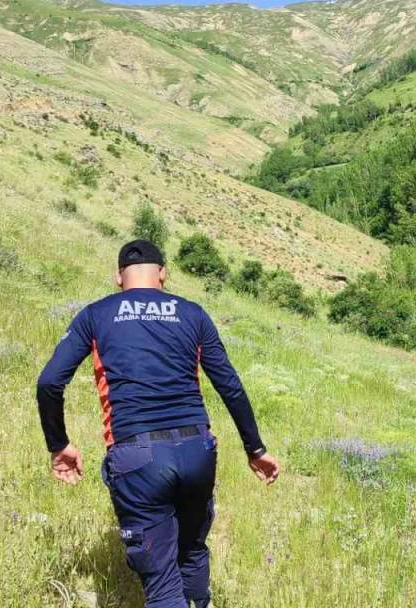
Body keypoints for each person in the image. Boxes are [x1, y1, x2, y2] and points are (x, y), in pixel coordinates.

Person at [36, 239, 280, 608]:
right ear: (163, 274)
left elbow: (49, 382)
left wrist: (59, 445)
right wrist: (255, 449)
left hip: (138, 455)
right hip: (198, 450)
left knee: (163, 588)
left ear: (119, 278)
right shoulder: (193, 314)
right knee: (193, 550)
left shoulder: (96, 314)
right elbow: (229, 384)